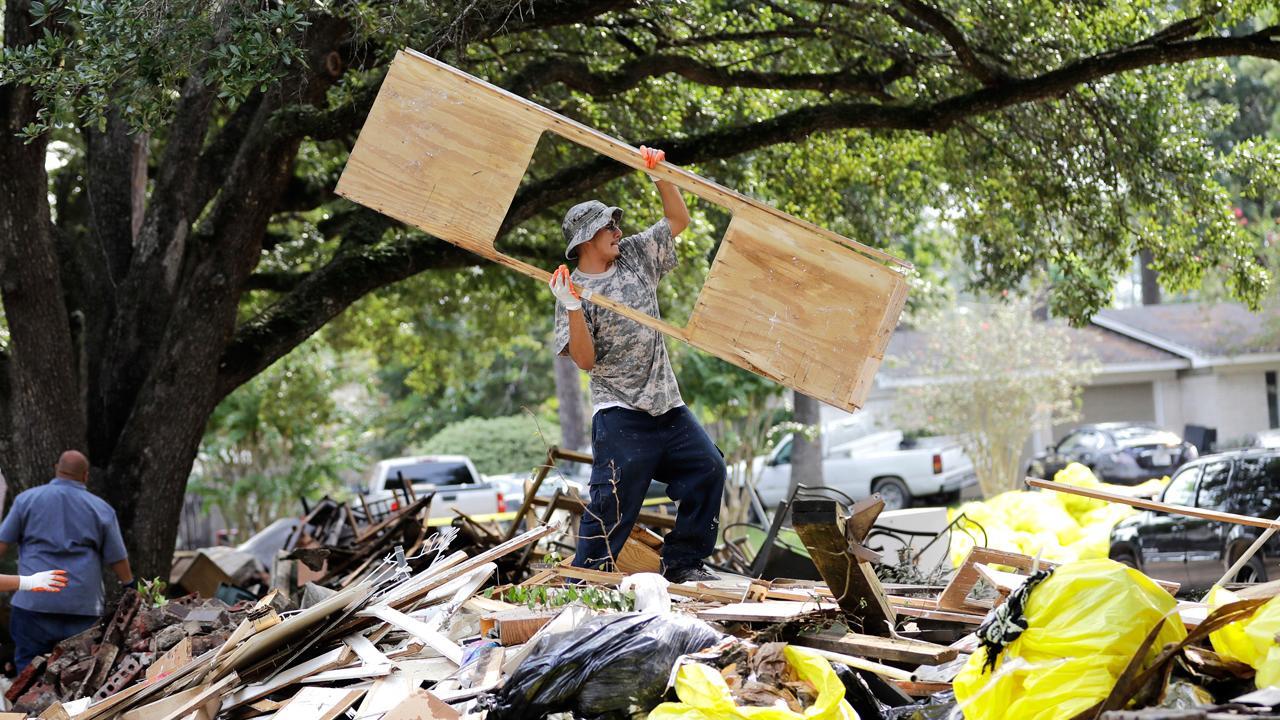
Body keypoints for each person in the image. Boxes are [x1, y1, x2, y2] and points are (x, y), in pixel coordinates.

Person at [551, 145, 727, 584]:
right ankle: (586, 580)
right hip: (620, 414)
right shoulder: (571, 290)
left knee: (708, 468)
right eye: (607, 226)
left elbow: (677, 221)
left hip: (667, 405)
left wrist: (659, 175)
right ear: (584, 240)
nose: (617, 229)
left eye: (615, 222)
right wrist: (573, 308)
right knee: (612, 502)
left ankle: (684, 562)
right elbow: (587, 362)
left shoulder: (633, 254)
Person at [0, 450, 134, 670]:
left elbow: (2, 543)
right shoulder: (100, 508)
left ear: (56, 469)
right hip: (82, 607)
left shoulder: (27, 500)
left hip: (34, 605)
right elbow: (117, 558)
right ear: (85, 476)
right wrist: (129, 585)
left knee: (28, 671)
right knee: (81, 671)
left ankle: (29, 705)